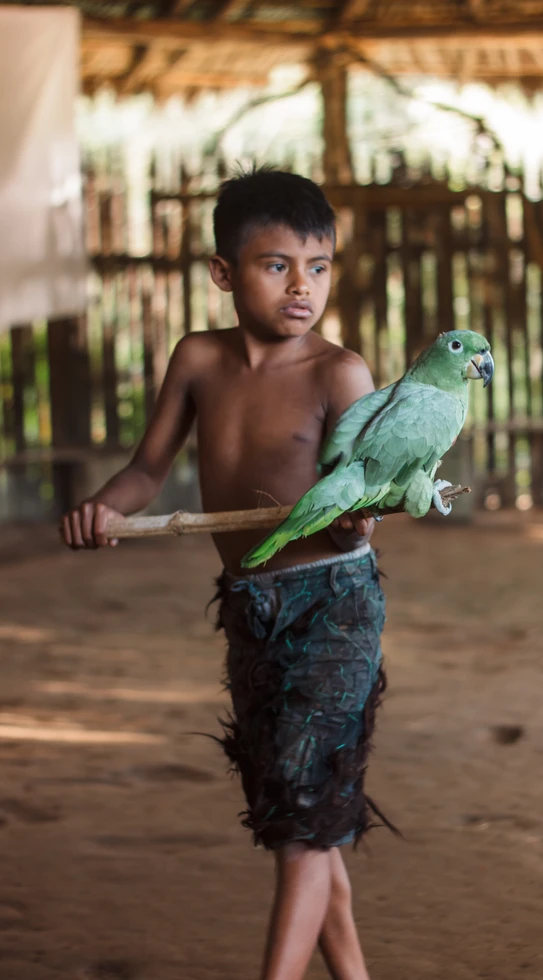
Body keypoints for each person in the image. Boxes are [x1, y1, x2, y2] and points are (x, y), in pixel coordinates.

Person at [61, 167, 391, 980]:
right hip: (249, 607)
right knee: (297, 815)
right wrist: (104, 507)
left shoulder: (338, 374)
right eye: (276, 264)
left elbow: (373, 494)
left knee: (304, 829)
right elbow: (145, 470)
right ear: (223, 272)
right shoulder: (199, 361)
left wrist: (362, 513)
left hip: (332, 608)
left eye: (317, 267)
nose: (301, 286)